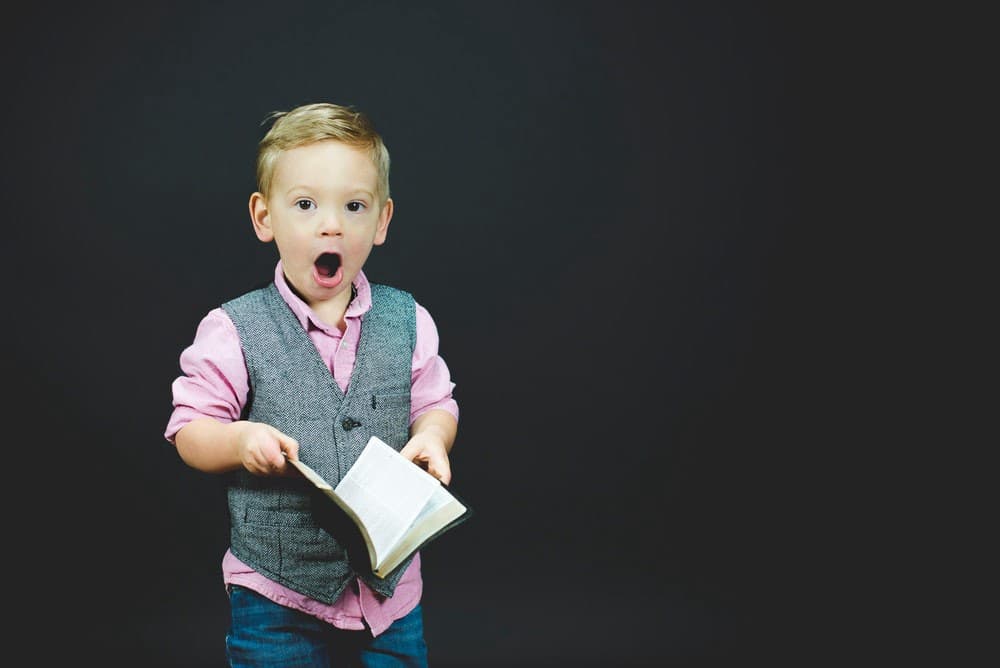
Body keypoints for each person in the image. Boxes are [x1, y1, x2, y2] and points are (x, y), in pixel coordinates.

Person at [164, 102, 459, 667]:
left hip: (389, 594)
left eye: (354, 206)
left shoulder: (409, 319)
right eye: (305, 205)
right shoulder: (233, 328)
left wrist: (433, 437)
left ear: (382, 221)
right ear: (264, 217)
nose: (332, 224)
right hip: (276, 592)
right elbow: (188, 430)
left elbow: (436, 402)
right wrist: (238, 440)